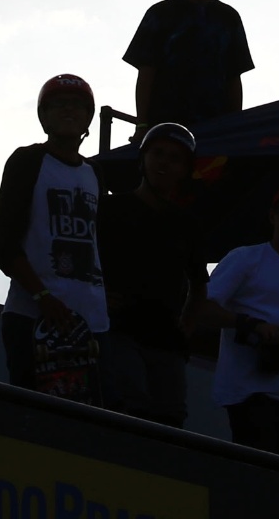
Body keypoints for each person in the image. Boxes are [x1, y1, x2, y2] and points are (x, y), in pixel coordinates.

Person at [0, 74, 110, 398]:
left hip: (92, 327)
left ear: (88, 118)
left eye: (77, 106)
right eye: (59, 105)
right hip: (33, 321)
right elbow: (1, 242)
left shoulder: (95, 174)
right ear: (44, 116)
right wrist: (42, 297)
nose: (69, 111)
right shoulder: (28, 161)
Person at [200, 182, 279, 460]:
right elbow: (202, 309)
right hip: (252, 394)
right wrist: (251, 326)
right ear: (273, 216)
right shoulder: (246, 259)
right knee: (262, 482)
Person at [97, 122, 207, 426]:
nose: (164, 163)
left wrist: (184, 332)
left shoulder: (188, 225)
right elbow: (81, 262)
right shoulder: (109, 209)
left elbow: (200, 287)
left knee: (170, 423)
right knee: (127, 414)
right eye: (158, 154)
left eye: (175, 158)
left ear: (185, 170)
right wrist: (96, 297)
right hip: (117, 332)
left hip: (166, 343)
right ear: (143, 159)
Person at [123, 0, 254, 133]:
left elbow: (233, 77)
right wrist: (141, 124)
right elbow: (146, 73)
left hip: (216, 130)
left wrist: (234, 127)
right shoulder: (159, 15)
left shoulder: (228, 18)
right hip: (165, 129)